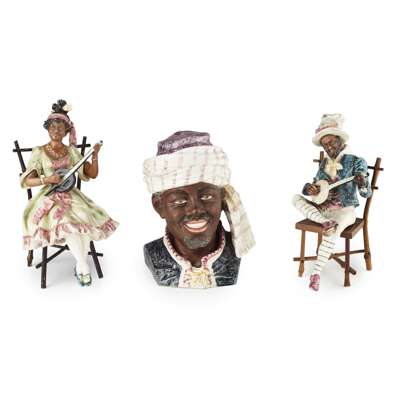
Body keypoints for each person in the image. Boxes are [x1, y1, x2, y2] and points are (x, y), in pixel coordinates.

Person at [20, 99, 118, 286]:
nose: (56, 130)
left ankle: (81, 264)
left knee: (83, 217)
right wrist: (47, 179)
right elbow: (26, 181)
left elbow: (91, 174)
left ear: (67, 131)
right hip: (49, 196)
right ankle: (83, 265)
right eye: (52, 126)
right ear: (47, 128)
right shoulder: (39, 152)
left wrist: (94, 156)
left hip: (72, 195)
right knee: (65, 219)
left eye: (60, 127)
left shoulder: (72, 152)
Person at [143, 131, 255, 288]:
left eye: (207, 197)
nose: (195, 209)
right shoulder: (154, 252)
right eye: (180, 201)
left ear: (222, 199)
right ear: (159, 206)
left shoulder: (234, 251)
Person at [292, 114, 372, 291]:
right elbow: (316, 186)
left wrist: (362, 183)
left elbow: (366, 193)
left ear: (340, 140)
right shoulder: (324, 164)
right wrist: (310, 189)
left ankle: (316, 274)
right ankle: (324, 221)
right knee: (295, 198)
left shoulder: (357, 161)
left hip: (344, 210)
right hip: (322, 210)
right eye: (324, 145)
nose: (328, 148)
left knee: (333, 230)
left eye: (331, 143)